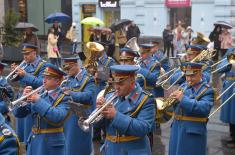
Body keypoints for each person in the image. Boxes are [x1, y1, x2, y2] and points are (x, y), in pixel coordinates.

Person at [96, 64, 156, 155]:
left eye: (120, 84)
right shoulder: (109, 95)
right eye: (115, 83)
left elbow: (143, 128)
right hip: (111, 149)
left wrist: (115, 116)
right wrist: (99, 112)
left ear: (132, 82)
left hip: (133, 151)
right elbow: (99, 127)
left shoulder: (145, 99)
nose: (116, 87)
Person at [13, 65, 70, 155]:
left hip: (50, 146)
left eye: (48, 78)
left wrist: (38, 101)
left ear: (58, 81)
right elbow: (18, 114)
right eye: (44, 77)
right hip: (34, 142)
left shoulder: (65, 97)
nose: (44, 80)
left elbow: (58, 117)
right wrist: (22, 99)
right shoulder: (41, 94)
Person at [169, 62, 214, 155]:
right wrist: (172, 100)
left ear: (200, 73)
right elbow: (178, 108)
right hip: (177, 129)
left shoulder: (207, 90)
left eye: (192, 76)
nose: (189, 79)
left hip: (192, 131)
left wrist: (182, 99)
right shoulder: (184, 85)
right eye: (187, 76)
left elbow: (204, 108)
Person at [10, 43, 49, 143]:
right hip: (21, 99)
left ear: (34, 53)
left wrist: (25, 74)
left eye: (27, 54)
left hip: (32, 101)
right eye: (24, 54)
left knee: (29, 134)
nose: (25, 56)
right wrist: (15, 73)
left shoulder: (43, 65)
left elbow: (42, 83)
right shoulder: (25, 64)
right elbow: (20, 81)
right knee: (21, 133)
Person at [61, 57, 95, 155]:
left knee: (80, 146)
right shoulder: (67, 79)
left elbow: (88, 96)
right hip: (68, 116)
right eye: (66, 69)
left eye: (69, 68)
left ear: (76, 65)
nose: (67, 71)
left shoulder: (88, 78)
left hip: (81, 116)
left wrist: (70, 93)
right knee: (68, 146)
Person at [216, 48, 235, 148]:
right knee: (230, 112)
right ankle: (232, 134)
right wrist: (228, 64)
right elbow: (219, 67)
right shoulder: (231, 50)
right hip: (229, 85)